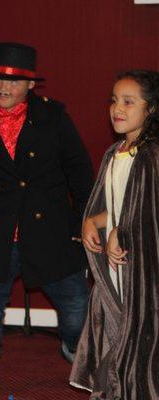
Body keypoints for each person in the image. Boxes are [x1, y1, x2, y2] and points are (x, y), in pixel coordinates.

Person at [0, 42, 94, 395]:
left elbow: (81, 173)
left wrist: (79, 225)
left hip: (50, 229)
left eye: (13, 82)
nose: (3, 87)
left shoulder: (53, 116)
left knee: (75, 306)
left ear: (30, 85)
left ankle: (79, 352)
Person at [70, 70, 159, 400]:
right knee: (117, 324)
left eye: (128, 102)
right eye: (113, 100)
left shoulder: (151, 155)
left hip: (141, 263)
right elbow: (121, 202)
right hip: (118, 260)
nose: (116, 108)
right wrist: (96, 221)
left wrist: (120, 231)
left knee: (140, 328)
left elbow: (149, 210)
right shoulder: (116, 152)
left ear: (150, 109)